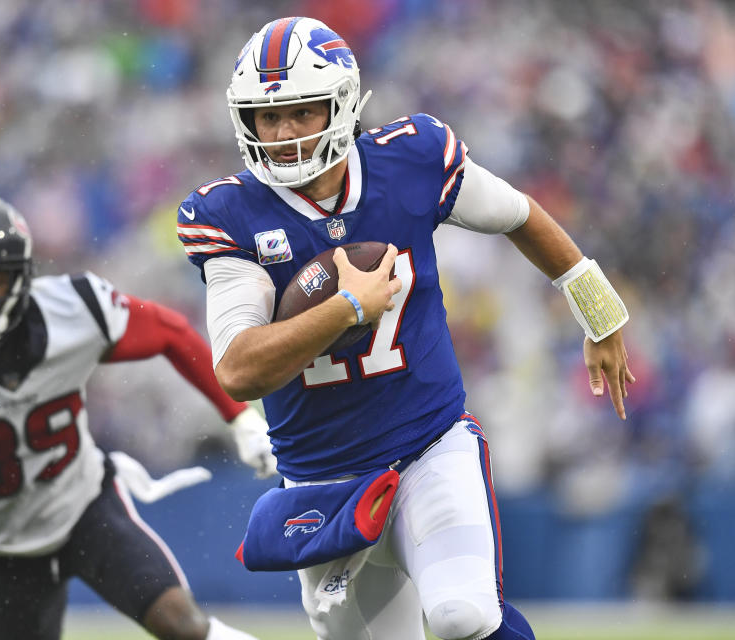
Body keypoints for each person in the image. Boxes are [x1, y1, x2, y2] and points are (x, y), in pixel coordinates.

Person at [177, 16, 634, 640]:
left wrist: (598, 311)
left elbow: (518, 214)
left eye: (302, 112)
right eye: (268, 117)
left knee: (462, 616)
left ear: (340, 105)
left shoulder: (411, 160)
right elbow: (237, 369)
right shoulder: (228, 214)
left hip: (426, 445)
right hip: (323, 482)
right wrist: (348, 308)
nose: (282, 134)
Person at [0, 193, 273, 640]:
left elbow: (169, 332)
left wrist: (238, 417)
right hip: (2, 550)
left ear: (21, 277)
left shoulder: (71, 311)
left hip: (86, 510)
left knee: (185, 626)